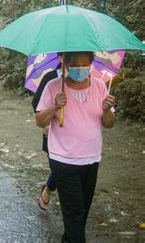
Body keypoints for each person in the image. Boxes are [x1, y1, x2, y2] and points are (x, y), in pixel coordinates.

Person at [35, 51, 116, 242]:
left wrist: (107, 110)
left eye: (85, 64)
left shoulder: (99, 86)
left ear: (91, 64)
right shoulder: (53, 86)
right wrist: (55, 106)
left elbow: (109, 123)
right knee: (75, 212)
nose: (80, 68)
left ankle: (69, 238)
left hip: (91, 158)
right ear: (66, 64)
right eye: (75, 64)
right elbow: (39, 121)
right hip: (63, 159)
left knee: (81, 211)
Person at [31, 53, 62, 211]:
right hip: (51, 131)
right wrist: (46, 123)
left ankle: (49, 189)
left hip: (73, 137)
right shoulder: (50, 78)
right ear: (61, 57)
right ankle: (49, 189)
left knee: (66, 168)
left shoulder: (85, 81)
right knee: (58, 167)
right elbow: (36, 102)